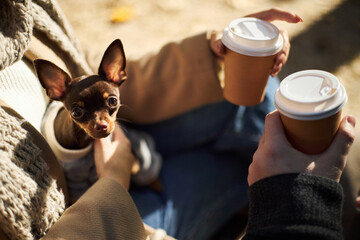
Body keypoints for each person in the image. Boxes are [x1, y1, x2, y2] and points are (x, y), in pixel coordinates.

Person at [1, 0, 358, 239]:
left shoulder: (15, 12)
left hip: (134, 147)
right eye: (82, 113)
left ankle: (304, 184)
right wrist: (114, 182)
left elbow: (89, 70)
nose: (100, 120)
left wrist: (217, 52)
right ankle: (309, 197)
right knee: (246, 169)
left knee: (258, 95)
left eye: (109, 106)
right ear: (56, 91)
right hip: (98, 220)